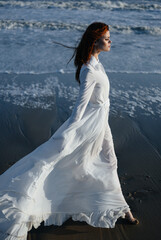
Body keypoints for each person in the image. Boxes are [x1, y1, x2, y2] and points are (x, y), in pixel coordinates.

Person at [0, 22, 139, 240]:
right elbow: (80, 107)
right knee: (75, 161)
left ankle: (118, 208)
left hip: (102, 122)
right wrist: (66, 134)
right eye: (106, 38)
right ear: (95, 41)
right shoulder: (89, 70)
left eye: (110, 37)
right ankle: (117, 210)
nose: (110, 41)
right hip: (90, 125)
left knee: (109, 162)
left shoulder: (97, 63)